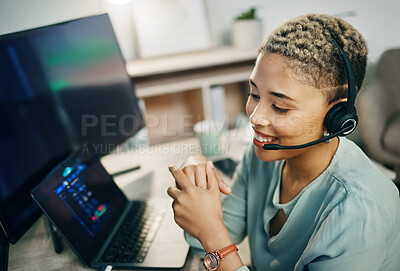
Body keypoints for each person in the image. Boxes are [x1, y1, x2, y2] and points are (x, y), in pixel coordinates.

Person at [167, 13, 400, 271]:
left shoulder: (360, 211)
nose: (255, 118)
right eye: (254, 94)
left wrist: (213, 238)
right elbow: (207, 239)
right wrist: (200, 181)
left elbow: (213, 240)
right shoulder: (263, 156)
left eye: (279, 107)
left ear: (336, 117)